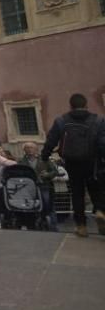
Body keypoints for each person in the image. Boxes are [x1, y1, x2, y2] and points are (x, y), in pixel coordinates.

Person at [42, 93, 105, 237]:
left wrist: (45, 156)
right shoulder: (98, 121)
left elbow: (51, 140)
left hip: (72, 163)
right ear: (86, 105)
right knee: (97, 190)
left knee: (77, 194)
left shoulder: (61, 121)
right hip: (92, 163)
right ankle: (101, 211)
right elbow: (103, 143)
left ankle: (81, 227)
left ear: (70, 106)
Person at [20, 142, 59, 231]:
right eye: (27, 148)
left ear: (36, 149)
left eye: (31, 147)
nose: (29, 149)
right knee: (31, 206)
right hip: (29, 188)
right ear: (24, 150)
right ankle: (33, 224)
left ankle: (52, 226)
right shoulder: (21, 161)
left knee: (47, 205)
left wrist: (47, 174)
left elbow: (55, 171)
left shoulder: (44, 159)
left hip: (44, 186)